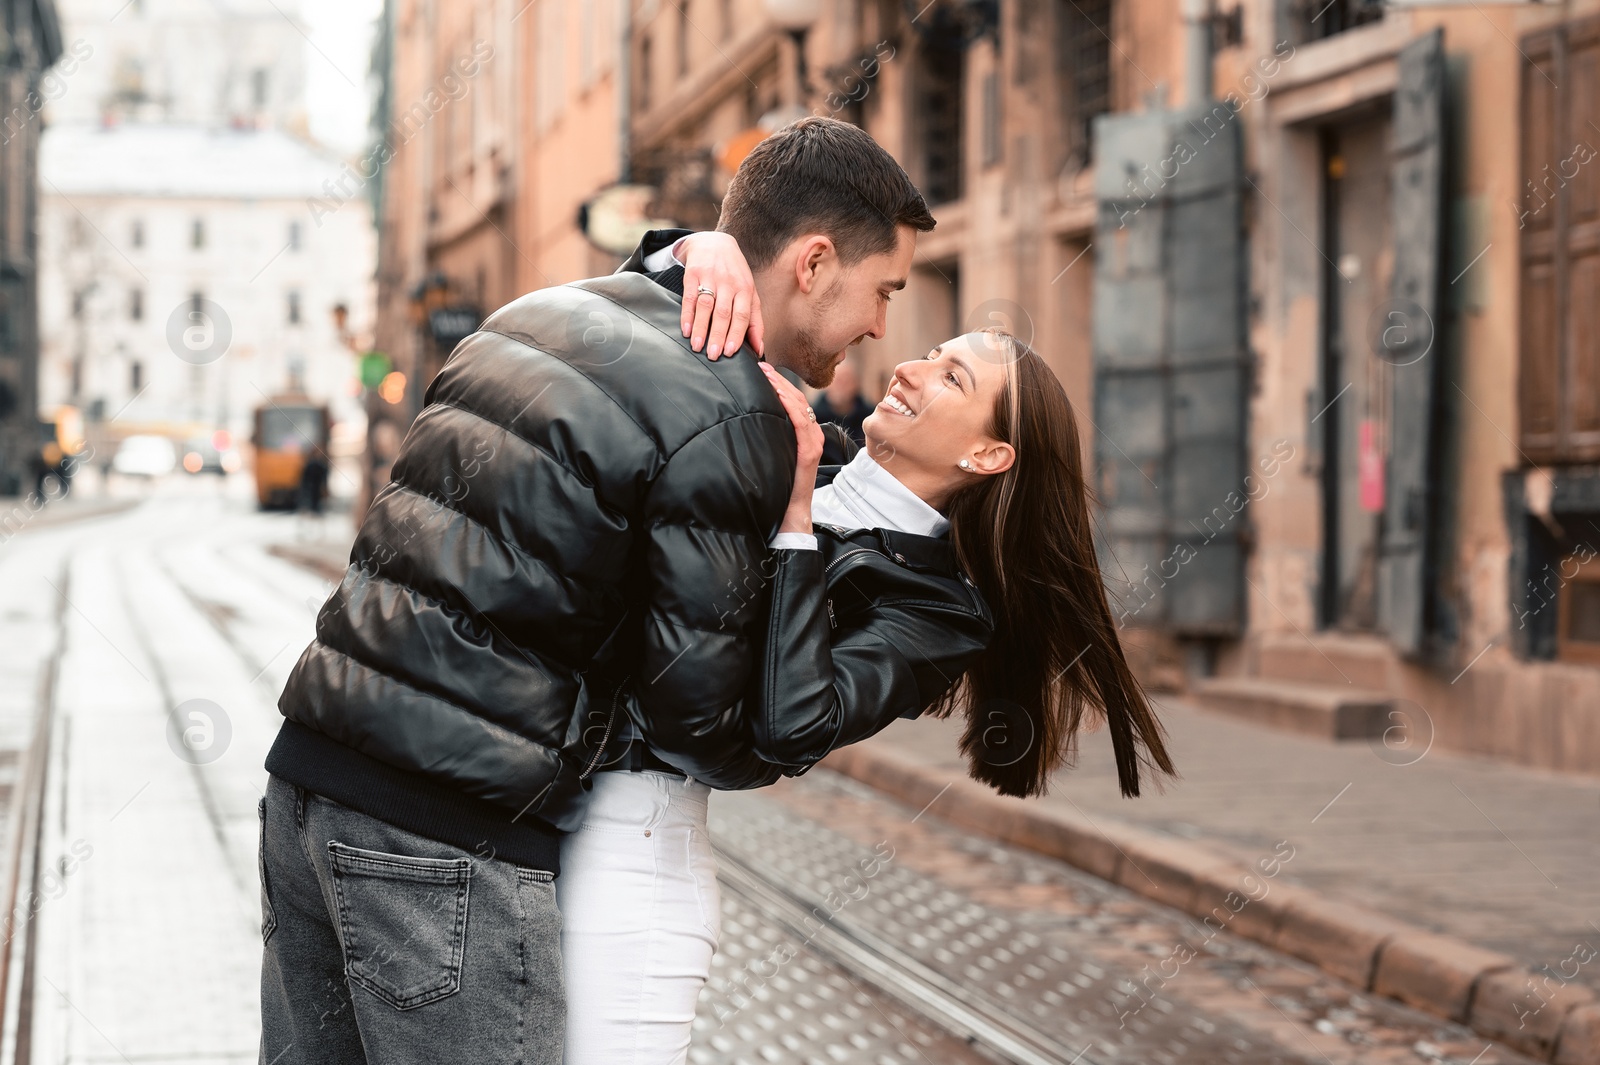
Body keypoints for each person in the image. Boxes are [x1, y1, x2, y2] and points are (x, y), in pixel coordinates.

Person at [257, 116, 935, 1065]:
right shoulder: (734, 411)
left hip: (306, 786)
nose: (880, 326)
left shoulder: (538, 312)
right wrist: (797, 538)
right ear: (814, 262)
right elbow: (704, 729)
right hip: (447, 838)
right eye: (883, 290)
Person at [555, 286, 1177, 1060]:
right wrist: (690, 257)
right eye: (933, 355)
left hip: (635, 863)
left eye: (952, 379)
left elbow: (792, 723)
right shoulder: (791, 451)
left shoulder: (938, 611)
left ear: (986, 455)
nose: (911, 370)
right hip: (540, 798)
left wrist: (793, 525)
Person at [809, 356, 874, 464]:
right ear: (827, 383)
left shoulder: (870, 418)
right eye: (838, 380)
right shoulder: (812, 418)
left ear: (856, 383)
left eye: (847, 380)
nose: (842, 385)